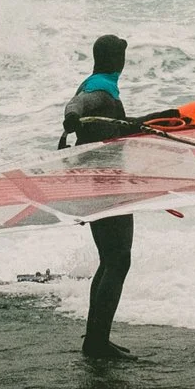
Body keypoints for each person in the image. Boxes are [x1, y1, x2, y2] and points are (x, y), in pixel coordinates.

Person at [61, 33, 140, 361]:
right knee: (119, 258)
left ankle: (96, 340)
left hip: (97, 181)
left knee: (111, 258)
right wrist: (71, 117)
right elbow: (79, 106)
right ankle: (96, 342)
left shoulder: (96, 83)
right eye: (122, 54)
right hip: (105, 184)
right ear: (115, 59)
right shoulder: (100, 89)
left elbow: (108, 125)